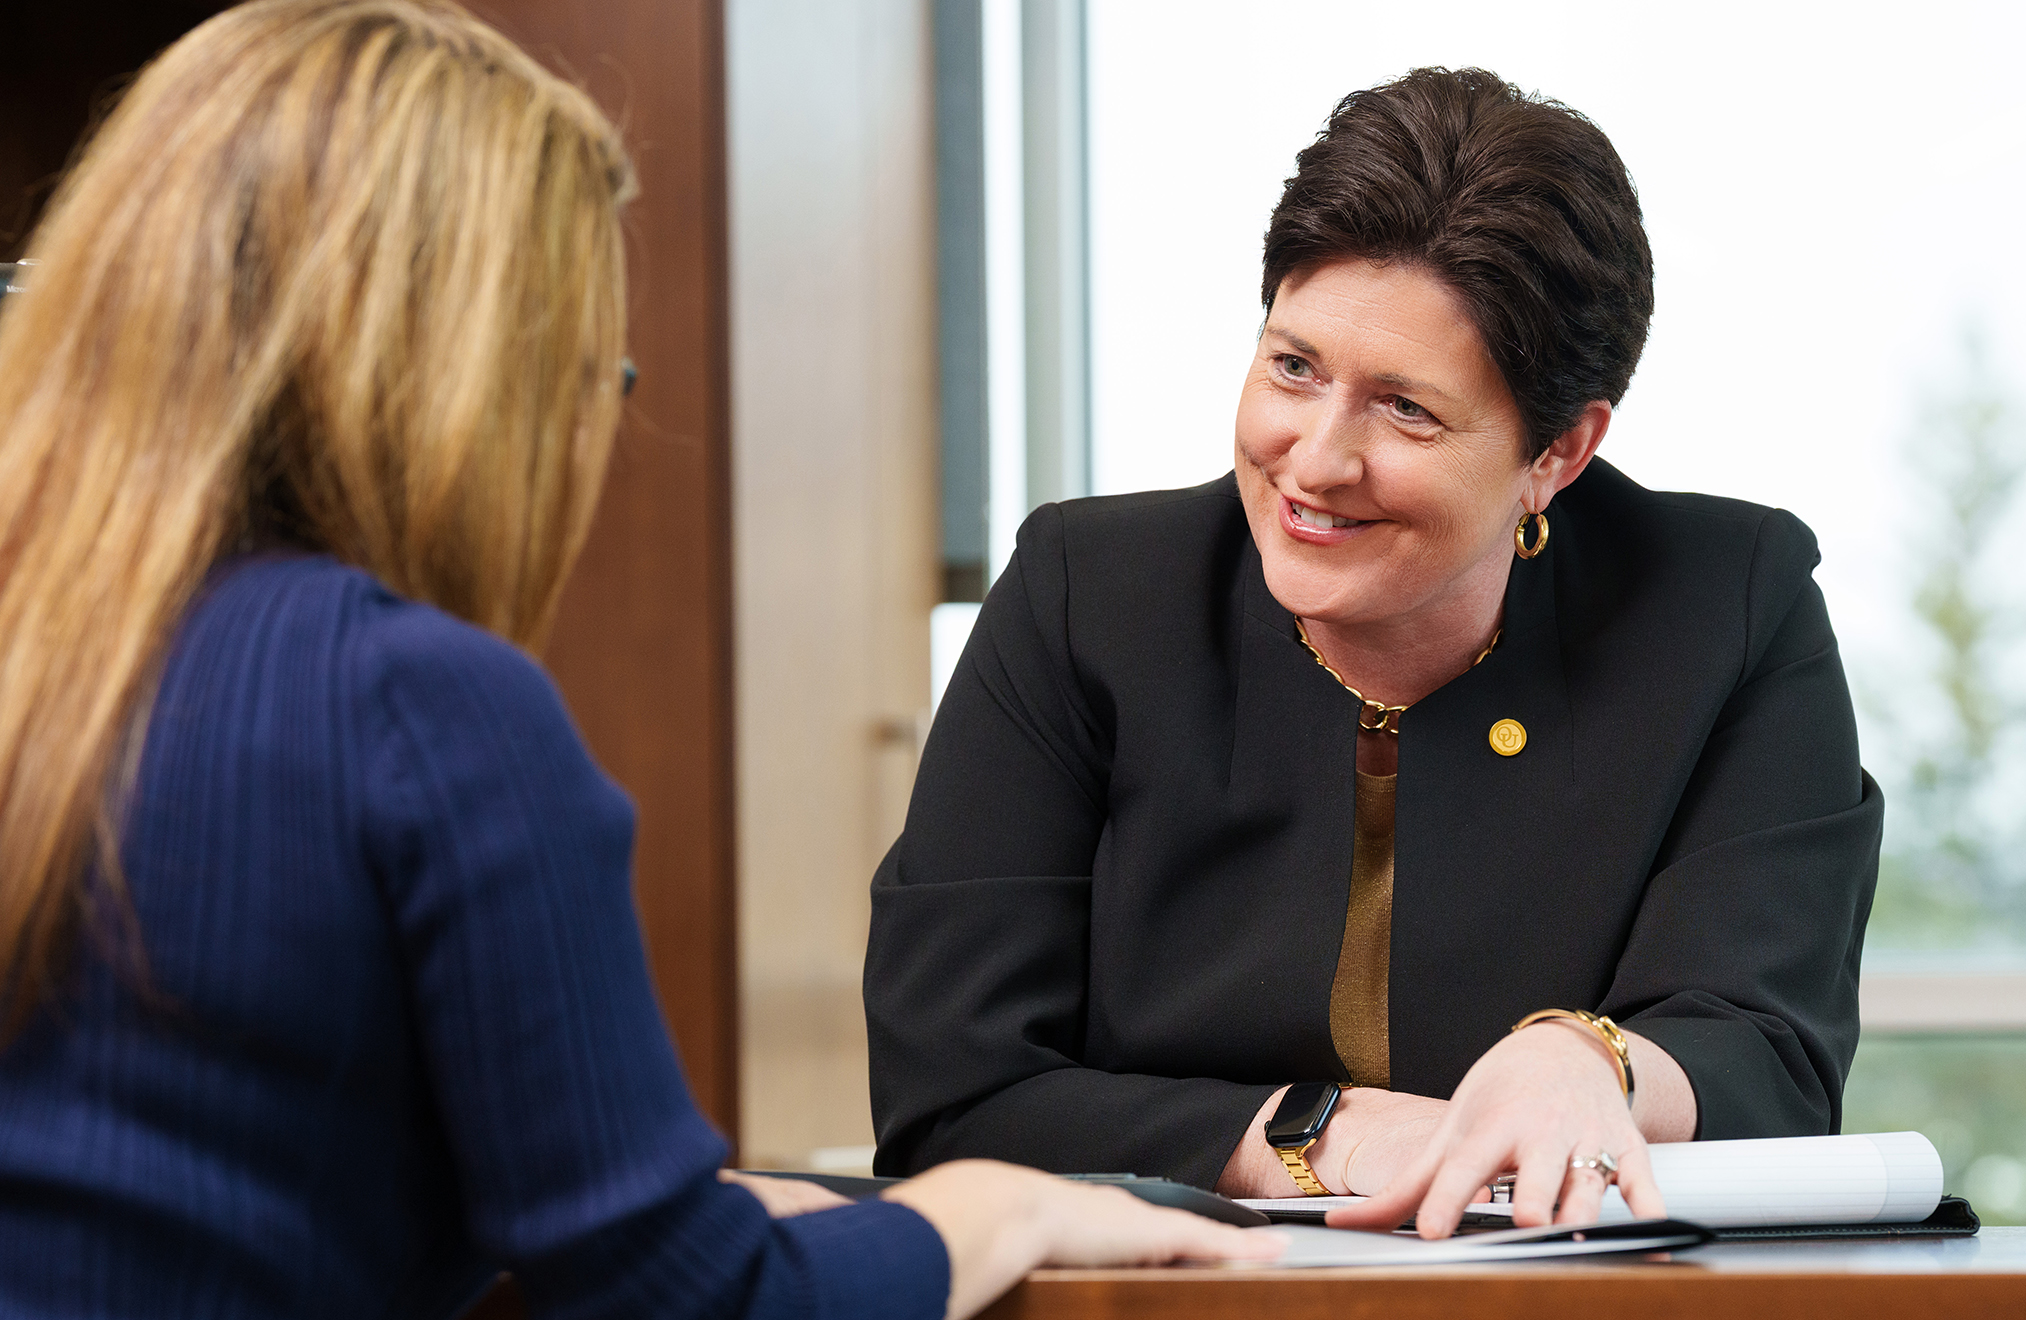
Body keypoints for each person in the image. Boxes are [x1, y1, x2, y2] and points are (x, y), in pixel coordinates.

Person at [0, 3, 1275, 1317]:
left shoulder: (53, 655)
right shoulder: (419, 713)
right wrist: (989, 1208)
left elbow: (210, 1152)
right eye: (593, 376)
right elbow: (680, 1299)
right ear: (476, 380)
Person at [866, 66, 1883, 1237]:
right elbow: (954, 1097)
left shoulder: (1727, 605)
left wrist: (1586, 1064)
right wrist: (1325, 1133)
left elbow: (1772, 1056)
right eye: (1292, 367)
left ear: (1557, 451)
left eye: (1405, 409)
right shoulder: (1083, 596)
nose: (1315, 460)